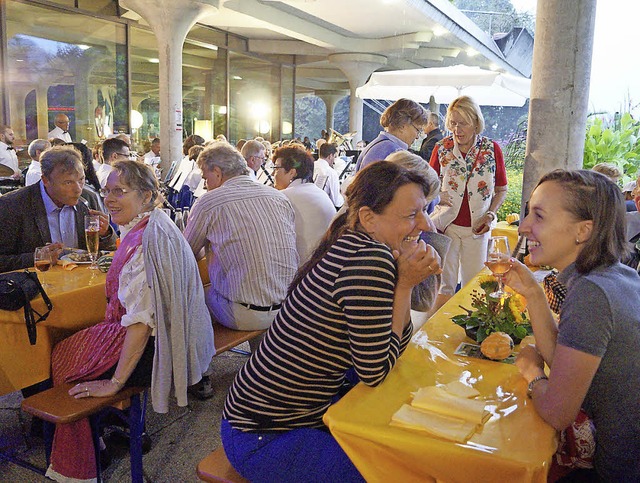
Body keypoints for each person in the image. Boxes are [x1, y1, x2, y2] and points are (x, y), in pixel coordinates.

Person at [221, 161, 441, 482]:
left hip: (255, 419)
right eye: (410, 215)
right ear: (368, 218)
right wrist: (405, 285)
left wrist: (404, 281)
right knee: (402, 470)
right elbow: (375, 371)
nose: (426, 225)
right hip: (267, 436)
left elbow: (388, 346)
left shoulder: (352, 240)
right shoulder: (371, 260)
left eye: (424, 211)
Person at [45, 160, 215, 482]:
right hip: (171, 336)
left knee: (61, 356)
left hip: (155, 348)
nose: (108, 198)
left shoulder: (144, 244)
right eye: (107, 190)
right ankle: (100, 433)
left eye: (119, 191)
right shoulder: (155, 225)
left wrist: (115, 383)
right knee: (71, 341)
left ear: (147, 195)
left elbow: (139, 323)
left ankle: (80, 464)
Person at [501, 169, 640, 483]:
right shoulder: (615, 275)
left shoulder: (593, 294)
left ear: (583, 231)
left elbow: (557, 411)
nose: (523, 227)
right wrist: (534, 294)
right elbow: (563, 365)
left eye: (538, 216)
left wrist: (532, 373)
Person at [184, 142, 298, 331]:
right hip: (287, 308)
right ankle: (262, 355)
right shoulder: (279, 197)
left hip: (244, 314)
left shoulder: (209, 202)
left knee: (188, 295)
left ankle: (195, 358)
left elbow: (184, 253)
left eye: (205, 178)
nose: (205, 185)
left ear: (218, 173)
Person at [429, 95, 507, 310]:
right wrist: (437, 195)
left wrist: (490, 214)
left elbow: (502, 189)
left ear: (475, 122)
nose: (457, 129)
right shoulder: (441, 148)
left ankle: (468, 328)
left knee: (475, 283)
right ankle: (438, 332)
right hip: (446, 226)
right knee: (444, 284)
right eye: (453, 123)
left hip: (477, 228)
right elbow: (426, 186)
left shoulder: (491, 150)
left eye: (462, 123)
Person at [0, 146, 116, 273]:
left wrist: (106, 234)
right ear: (45, 180)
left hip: (84, 284)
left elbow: (108, 251)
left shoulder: (88, 199)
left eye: (81, 180)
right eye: (68, 182)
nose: (78, 189)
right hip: (40, 286)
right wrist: (37, 257)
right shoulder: (13, 205)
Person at [273, 144, 336, 265]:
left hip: (302, 271)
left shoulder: (283, 198)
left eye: (276, 168)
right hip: (326, 266)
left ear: (292, 172)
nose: (273, 174)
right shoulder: (320, 193)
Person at [355, 98, 429, 171]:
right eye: (418, 130)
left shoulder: (376, 144)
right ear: (402, 125)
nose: (417, 137)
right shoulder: (394, 152)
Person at [313, 142, 344, 209]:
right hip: (324, 209)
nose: (334, 160)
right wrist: (344, 197)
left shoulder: (310, 166)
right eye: (334, 157)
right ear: (330, 156)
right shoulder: (331, 172)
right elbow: (336, 201)